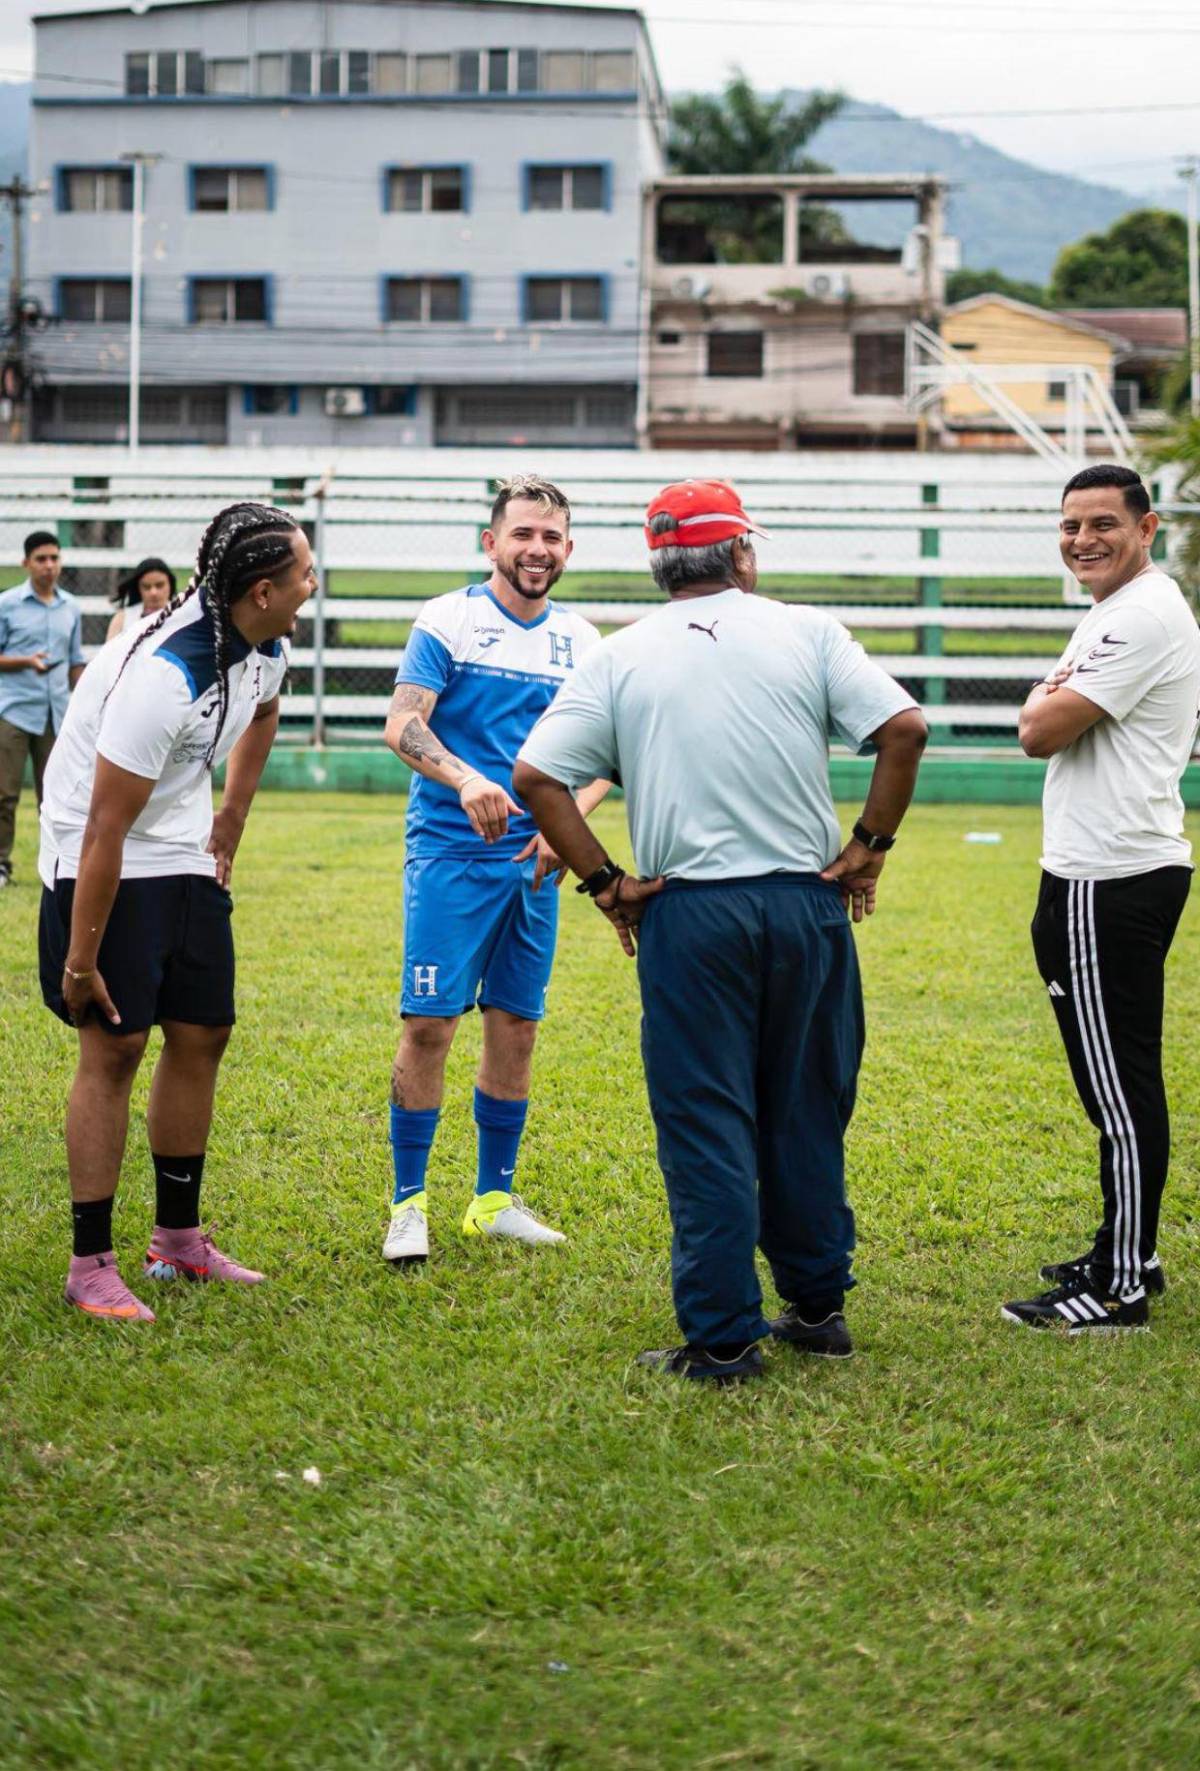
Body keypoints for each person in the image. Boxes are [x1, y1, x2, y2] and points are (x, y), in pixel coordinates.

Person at [514, 479, 928, 1383]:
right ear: (742, 552)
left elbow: (538, 776)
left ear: (660, 564)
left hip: (689, 913)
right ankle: (817, 1307)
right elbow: (904, 727)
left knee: (706, 1119)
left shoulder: (621, 655)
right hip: (806, 903)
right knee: (807, 1105)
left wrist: (607, 884)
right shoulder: (806, 631)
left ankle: (725, 1337)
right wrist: (868, 846)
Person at [39, 501, 314, 1322]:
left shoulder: (263, 643)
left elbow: (263, 708)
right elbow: (103, 828)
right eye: (303, 572)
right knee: (115, 1047)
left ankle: (179, 1240)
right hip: (99, 850)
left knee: (203, 1030)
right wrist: (82, 961)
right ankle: (91, 1262)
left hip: (183, 843)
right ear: (261, 589)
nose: (313, 582)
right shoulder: (164, 675)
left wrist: (229, 817)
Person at [381, 473, 608, 1266]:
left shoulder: (584, 642)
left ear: (568, 549)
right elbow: (403, 723)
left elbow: (608, 756)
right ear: (492, 542)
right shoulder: (449, 620)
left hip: (534, 868)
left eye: (551, 537)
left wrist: (567, 824)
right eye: (523, 534)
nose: (537, 549)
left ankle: (492, 1199)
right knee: (429, 1025)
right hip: (450, 853)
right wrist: (467, 777)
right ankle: (408, 1204)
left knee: (515, 1026)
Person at [1001, 464, 1200, 1333]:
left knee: (1117, 1088)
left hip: (1108, 877)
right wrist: (1050, 696)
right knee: (1116, 1079)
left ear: (1146, 526)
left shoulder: (1145, 613)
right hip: (1101, 871)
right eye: (1070, 524)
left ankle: (1120, 1284)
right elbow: (1050, 715)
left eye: (1102, 524)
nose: (1082, 538)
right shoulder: (1113, 611)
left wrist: (1045, 697)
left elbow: (1039, 729)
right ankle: (1130, 1247)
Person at [0, 532, 84, 890]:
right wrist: (24, 662)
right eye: (41, 559)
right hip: (15, 711)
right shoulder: (7, 604)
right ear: (26, 564)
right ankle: (1, 865)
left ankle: (57, 866)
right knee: (5, 793)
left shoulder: (71, 608)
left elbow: (75, 662)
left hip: (57, 716)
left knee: (57, 797)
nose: (49, 566)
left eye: (54, 558)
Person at [106, 557, 176, 642]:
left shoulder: (180, 615)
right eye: (146, 587)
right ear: (138, 588)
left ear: (170, 585)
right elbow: (109, 652)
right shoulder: (123, 618)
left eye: (159, 585)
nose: (153, 592)